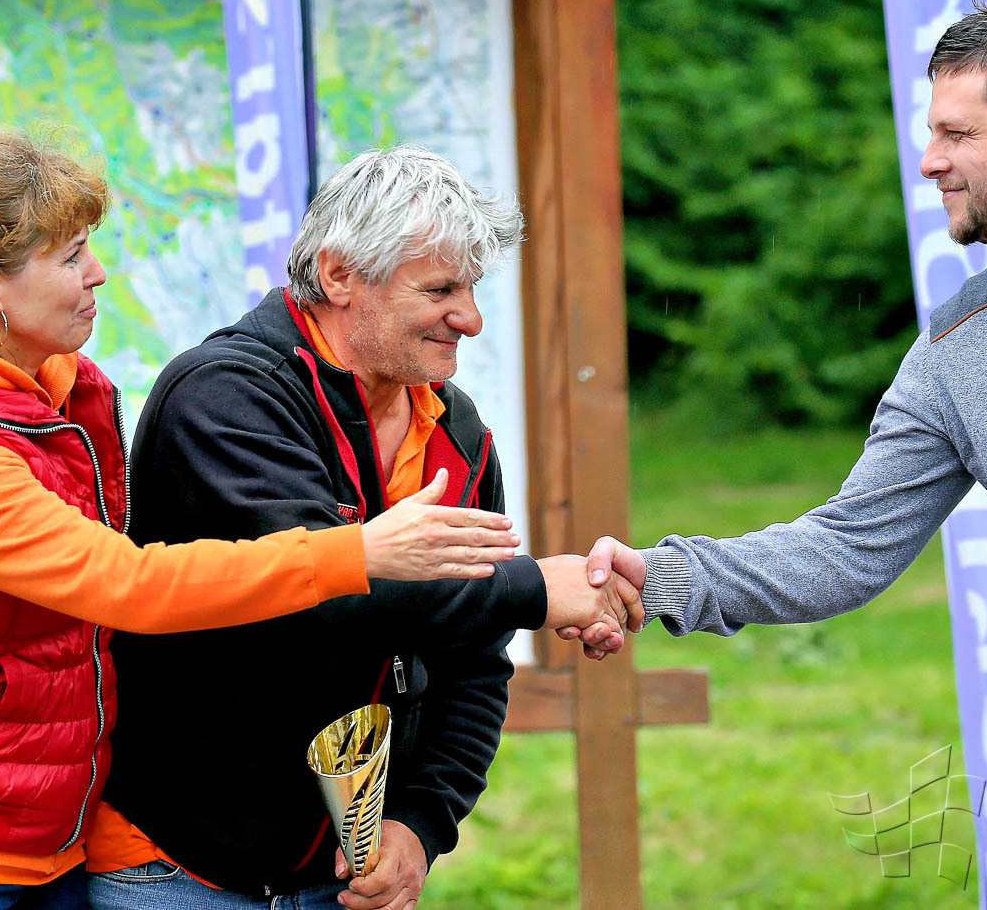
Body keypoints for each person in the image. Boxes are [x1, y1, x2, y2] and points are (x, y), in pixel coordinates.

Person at [0, 123, 536, 910]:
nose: (98, 271)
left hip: (35, 840)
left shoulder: (49, 397)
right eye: (71, 255)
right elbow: (130, 586)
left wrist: (420, 819)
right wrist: (361, 553)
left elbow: (467, 660)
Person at [583, 0, 987, 907]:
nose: (929, 160)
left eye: (955, 133)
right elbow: (846, 545)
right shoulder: (959, 350)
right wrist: (661, 575)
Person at [90, 146, 642, 910]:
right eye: (440, 288)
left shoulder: (457, 431)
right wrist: (536, 589)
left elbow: (472, 663)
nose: (471, 318)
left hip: (340, 881)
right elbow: (320, 595)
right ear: (339, 274)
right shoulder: (223, 396)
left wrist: (421, 823)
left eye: (471, 287)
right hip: (175, 872)